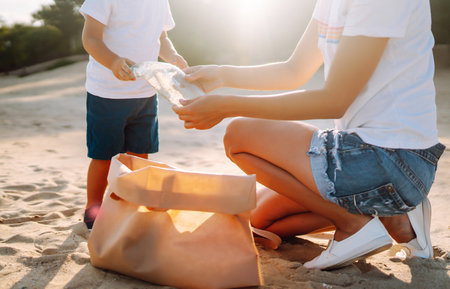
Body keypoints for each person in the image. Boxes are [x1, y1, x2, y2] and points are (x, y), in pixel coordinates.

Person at [173, 0, 445, 270]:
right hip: (363, 158)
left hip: (390, 158)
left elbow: (334, 100)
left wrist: (227, 105)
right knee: (261, 221)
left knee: (238, 135)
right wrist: (222, 75)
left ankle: (353, 225)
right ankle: (394, 218)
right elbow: (294, 71)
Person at [79, 0, 187, 230]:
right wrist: (113, 61)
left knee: (139, 153)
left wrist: (174, 57)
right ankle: (94, 206)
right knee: (103, 155)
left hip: (146, 92)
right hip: (107, 93)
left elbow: (162, 38)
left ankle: (131, 201)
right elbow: (90, 39)